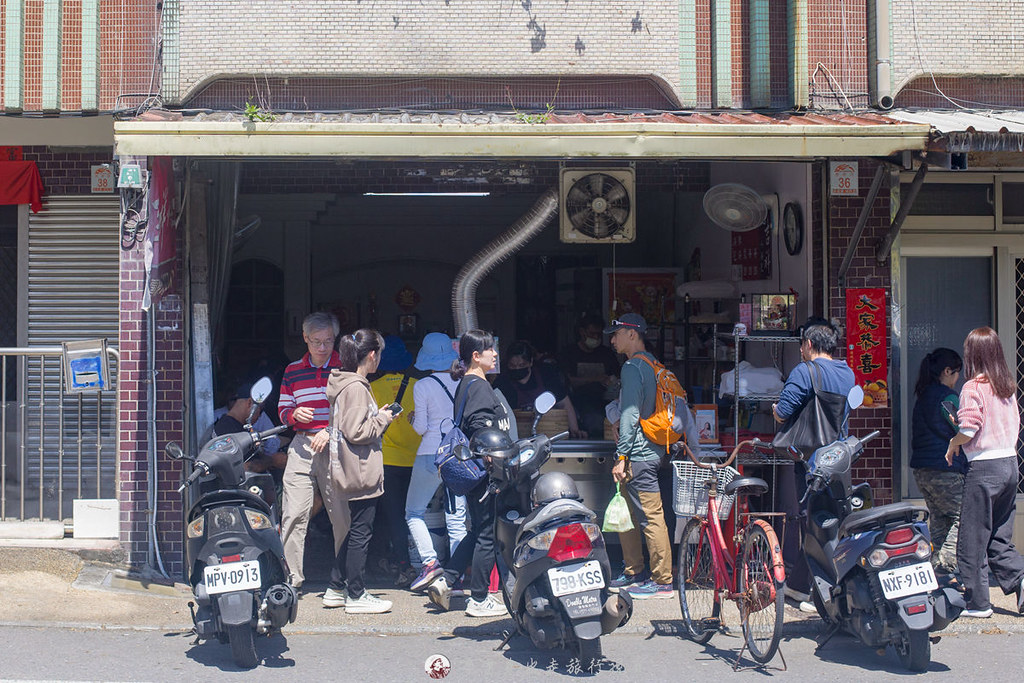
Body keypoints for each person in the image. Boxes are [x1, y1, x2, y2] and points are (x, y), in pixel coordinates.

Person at [771, 318, 855, 610]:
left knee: (812, 521)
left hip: (810, 459)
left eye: (802, 345)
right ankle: (801, 586)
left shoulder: (804, 371)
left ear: (808, 344)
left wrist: (775, 412)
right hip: (840, 458)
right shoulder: (847, 373)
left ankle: (815, 591)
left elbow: (783, 412)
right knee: (831, 520)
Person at [426, 329, 511, 618]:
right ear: (476, 356)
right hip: (484, 469)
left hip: (471, 468)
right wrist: (491, 454)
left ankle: (446, 580)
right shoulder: (478, 385)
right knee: (487, 533)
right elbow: (478, 426)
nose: (495, 354)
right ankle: (479, 598)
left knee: (477, 531)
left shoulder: (467, 382)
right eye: (490, 350)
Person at [944, 326, 1024, 618]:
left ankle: (977, 603)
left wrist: (954, 443)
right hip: (1010, 465)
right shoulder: (1006, 388)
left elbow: (968, 428)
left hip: (984, 468)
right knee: (998, 537)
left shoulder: (973, 387)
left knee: (972, 537)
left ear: (971, 354)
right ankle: (1020, 579)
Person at [324, 328, 395, 614]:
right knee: (360, 534)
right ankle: (356, 594)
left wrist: (378, 415)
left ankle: (335, 587)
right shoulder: (356, 387)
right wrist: (383, 419)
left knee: (353, 530)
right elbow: (356, 430)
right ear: (372, 355)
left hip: (349, 468)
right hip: (360, 470)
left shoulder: (345, 383)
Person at [277, 312, 347, 591]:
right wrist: (294, 415)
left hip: (338, 444)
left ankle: (342, 577)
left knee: (341, 515)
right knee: (293, 513)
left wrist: (330, 429)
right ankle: (292, 578)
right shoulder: (292, 370)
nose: (322, 347)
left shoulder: (345, 368)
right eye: (316, 341)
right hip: (302, 445)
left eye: (328, 341)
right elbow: (282, 411)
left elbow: (355, 411)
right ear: (305, 338)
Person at [606, 313, 674, 599]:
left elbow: (630, 413)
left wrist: (622, 456)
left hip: (639, 454)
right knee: (630, 515)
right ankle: (635, 571)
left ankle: (662, 580)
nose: (612, 339)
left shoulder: (633, 367)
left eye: (617, 333)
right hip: (651, 450)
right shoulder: (653, 365)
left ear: (632, 334)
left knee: (650, 517)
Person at [407, 333, 468, 592]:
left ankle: (430, 563)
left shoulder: (422, 386)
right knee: (457, 518)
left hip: (430, 454)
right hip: (458, 455)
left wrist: (411, 420)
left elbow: (421, 428)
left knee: (414, 512)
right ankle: (458, 573)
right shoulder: (464, 382)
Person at [368, 335, 420, 587]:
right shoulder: (419, 386)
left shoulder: (371, 388)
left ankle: (403, 565)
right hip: (416, 459)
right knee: (417, 514)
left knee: (394, 515)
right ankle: (425, 562)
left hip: (386, 461)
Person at [911, 348, 966, 573]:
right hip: (946, 469)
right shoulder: (946, 397)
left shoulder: (923, 395)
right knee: (962, 518)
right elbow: (961, 429)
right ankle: (946, 566)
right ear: (946, 371)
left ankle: (938, 571)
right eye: (956, 373)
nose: (958, 379)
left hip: (922, 470)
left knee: (941, 519)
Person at [495, 340, 585, 439]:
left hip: (548, 433)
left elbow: (565, 403)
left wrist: (574, 430)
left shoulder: (547, 376)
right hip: (517, 435)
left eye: (521, 365)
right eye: (513, 366)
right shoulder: (502, 382)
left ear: (531, 362)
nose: (517, 368)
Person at [203, 381, 289, 476]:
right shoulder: (226, 429)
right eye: (261, 410)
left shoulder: (237, 427)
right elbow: (242, 467)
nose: (260, 416)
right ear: (249, 403)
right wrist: (272, 461)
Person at [559, 313, 620, 437]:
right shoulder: (569, 353)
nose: (596, 337)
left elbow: (618, 377)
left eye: (599, 335)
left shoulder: (606, 354)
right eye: (592, 334)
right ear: (582, 332)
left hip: (606, 403)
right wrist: (595, 379)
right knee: (595, 422)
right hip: (579, 403)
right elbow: (567, 381)